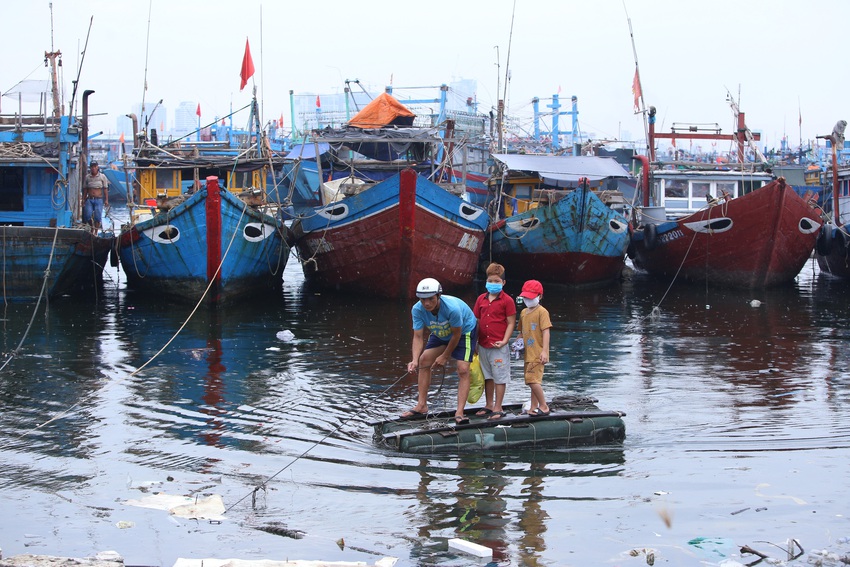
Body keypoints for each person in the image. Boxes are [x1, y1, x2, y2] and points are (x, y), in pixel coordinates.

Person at [404, 277, 478, 424]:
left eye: (430, 299)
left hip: (464, 332)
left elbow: (456, 335)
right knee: (423, 360)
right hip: (441, 332)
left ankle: (459, 412)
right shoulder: (417, 310)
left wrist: (445, 356)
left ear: (438, 296)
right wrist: (414, 359)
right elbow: (418, 337)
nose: (426, 303)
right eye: (422, 299)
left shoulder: (452, 309)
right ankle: (422, 405)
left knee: (462, 369)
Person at [472, 263, 516, 420]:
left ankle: (498, 406)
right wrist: (475, 342)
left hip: (498, 345)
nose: (493, 284)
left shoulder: (507, 300)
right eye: (490, 281)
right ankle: (489, 404)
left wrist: (505, 341)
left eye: (497, 281)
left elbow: (511, 323)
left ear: (503, 283)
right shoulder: (481, 299)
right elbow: (476, 321)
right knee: (487, 376)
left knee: (500, 376)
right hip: (483, 344)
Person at [516, 279, 552, 416]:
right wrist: (517, 342)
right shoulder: (524, 313)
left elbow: (546, 331)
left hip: (537, 353)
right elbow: (521, 331)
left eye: (530, 297)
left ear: (539, 296)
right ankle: (533, 407)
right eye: (525, 297)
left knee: (531, 380)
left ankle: (544, 406)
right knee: (532, 380)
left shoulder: (542, 312)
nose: (527, 300)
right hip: (528, 353)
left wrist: (544, 351)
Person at [83, 161, 109, 233]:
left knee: (97, 217)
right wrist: (83, 200)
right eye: (92, 167)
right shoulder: (87, 177)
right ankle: (92, 227)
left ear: (97, 167)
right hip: (90, 199)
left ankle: (96, 232)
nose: (93, 168)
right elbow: (85, 189)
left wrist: (106, 200)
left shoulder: (102, 176)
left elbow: (105, 189)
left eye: (95, 166)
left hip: (99, 199)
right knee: (87, 215)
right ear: (90, 168)